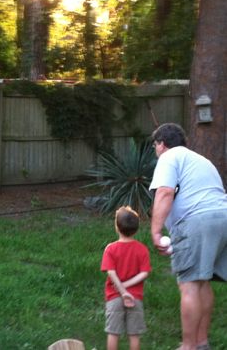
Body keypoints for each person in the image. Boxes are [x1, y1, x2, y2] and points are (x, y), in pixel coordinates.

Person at [149, 122, 227, 350]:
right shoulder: (202, 161)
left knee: (189, 285)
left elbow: (164, 192)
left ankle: (189, 346)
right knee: (202, 283)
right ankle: (202, 343)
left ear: (162, 144)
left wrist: (155, 231)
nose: (156, 150)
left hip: (197, 221)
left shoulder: (168, 157)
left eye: (156, 145)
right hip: (222, 219)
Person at [101, 206, 151, 350]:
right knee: (134, 334)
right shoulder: (142, 249)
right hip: (135, 298)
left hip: (114, 296)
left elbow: (111, 272)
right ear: (136, 228)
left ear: (117, 226)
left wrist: (122, 290)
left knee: (113, 332)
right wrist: (128, 288)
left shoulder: (110, 249)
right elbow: (144, 273)